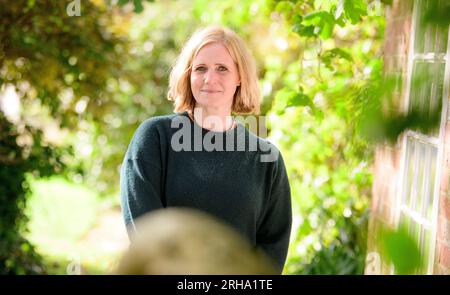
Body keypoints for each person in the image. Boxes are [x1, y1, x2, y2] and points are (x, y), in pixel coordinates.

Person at [120, 25, 292, 274]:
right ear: (188, 75)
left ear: (240, 77)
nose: (209, 79)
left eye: (222, 68)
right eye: (200, 68)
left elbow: (271, 252)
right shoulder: (155, 138)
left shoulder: (267, 160)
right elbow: (145, 231)